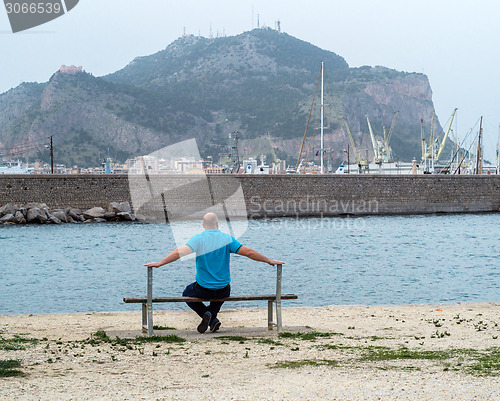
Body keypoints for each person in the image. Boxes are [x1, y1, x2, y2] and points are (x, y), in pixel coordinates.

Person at [144, 212, 284, 333]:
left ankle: (208, 315)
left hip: (203, 289)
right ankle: (212, 317)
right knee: (224, 291)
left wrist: (160, 263)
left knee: (187, 294)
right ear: (217, 224)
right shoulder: (226, 239)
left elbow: (178, 253)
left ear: (203, 225)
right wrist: (269, 260)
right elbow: (249, 252)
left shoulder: (198, 239)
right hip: (223, 289)